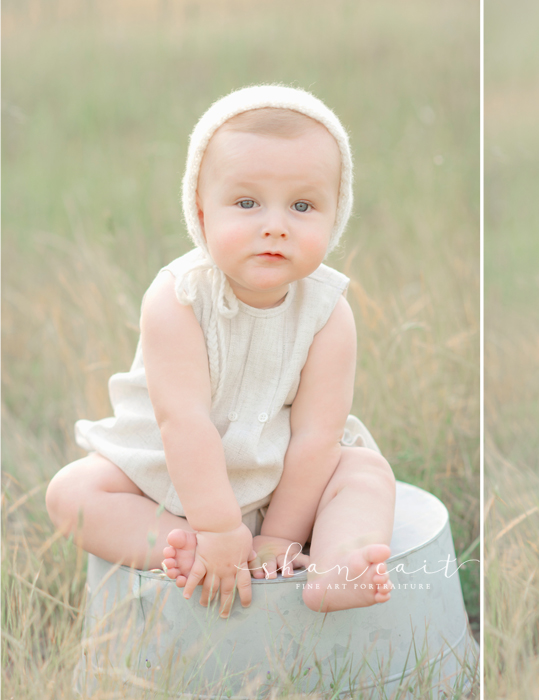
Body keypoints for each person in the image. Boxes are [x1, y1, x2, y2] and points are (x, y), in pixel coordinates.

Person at [46, 85, 396, 617]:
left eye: (303, 205)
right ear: (203, 214)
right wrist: (216, 528)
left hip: (282, 483)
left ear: (335, 217)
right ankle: (181, 548)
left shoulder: (329, 311)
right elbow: (182, 421)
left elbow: (317, 438)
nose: (274, 224)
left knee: (366, 472)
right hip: (173, 482)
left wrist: (278, 536)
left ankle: (339, 566)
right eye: (247, 203)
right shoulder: (178, 298)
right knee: (72, 494)